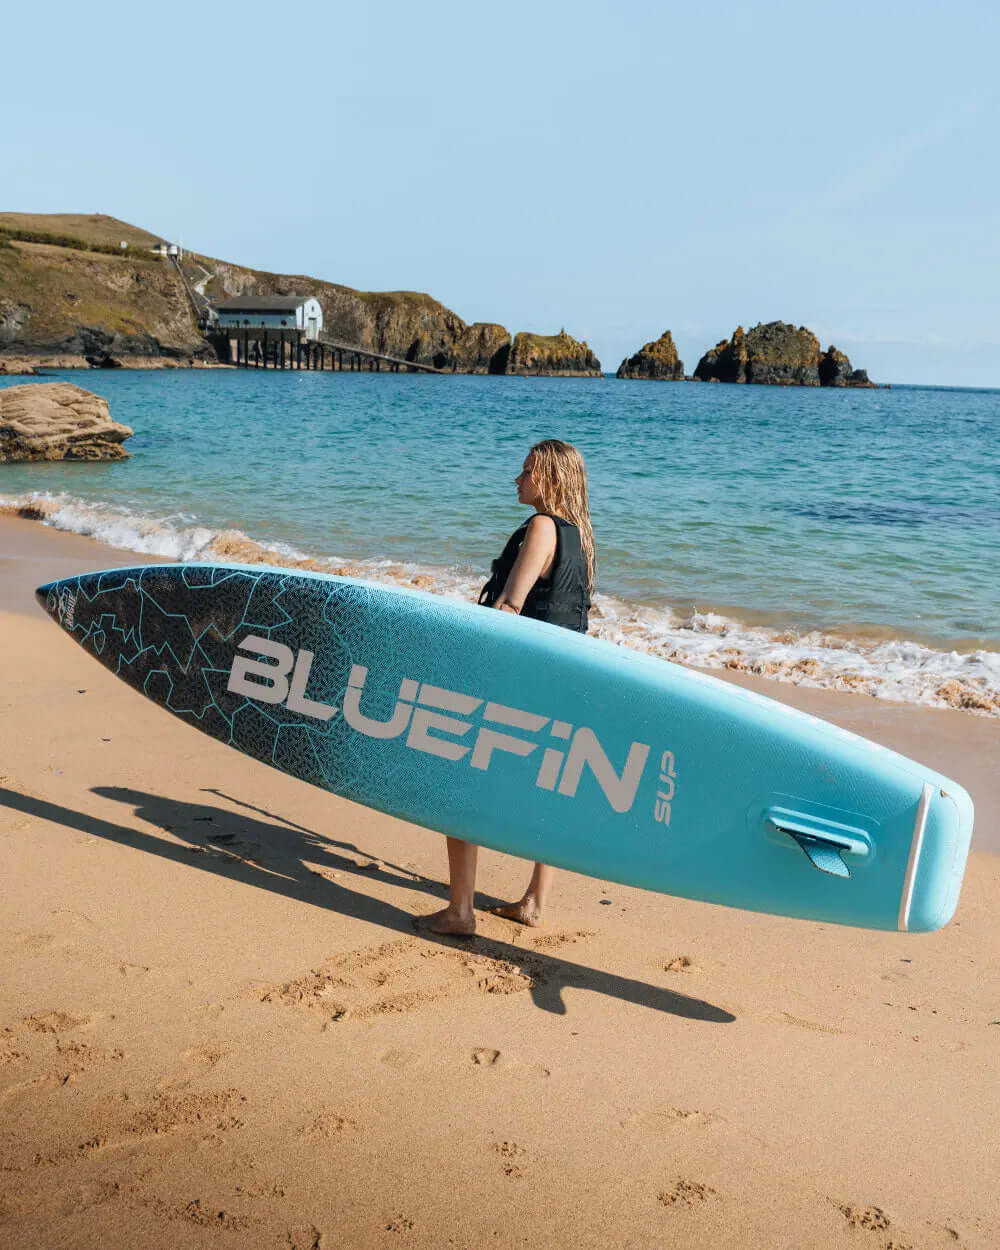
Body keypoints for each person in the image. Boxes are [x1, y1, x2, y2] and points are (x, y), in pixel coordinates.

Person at [427, 438, 595, 936]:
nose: (517, 480)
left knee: (460, 782)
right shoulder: (579, 533)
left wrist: (462, 658)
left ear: (548, 477)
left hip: (523, 677)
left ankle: (460, 913)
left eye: (525, 472)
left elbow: (510, 609)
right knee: (547, 789)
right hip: (564, 678)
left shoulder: (542, 526)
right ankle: (533, 904)